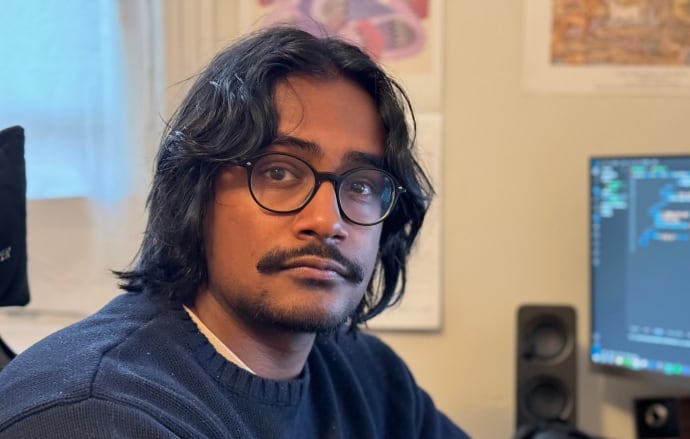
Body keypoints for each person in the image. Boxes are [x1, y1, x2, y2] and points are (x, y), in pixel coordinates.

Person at [0, 26, 468, 438]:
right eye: (280, 173)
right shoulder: (94, 414)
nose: (327, 222)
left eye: (362, 184)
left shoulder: (370, 379)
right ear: (195, 191)